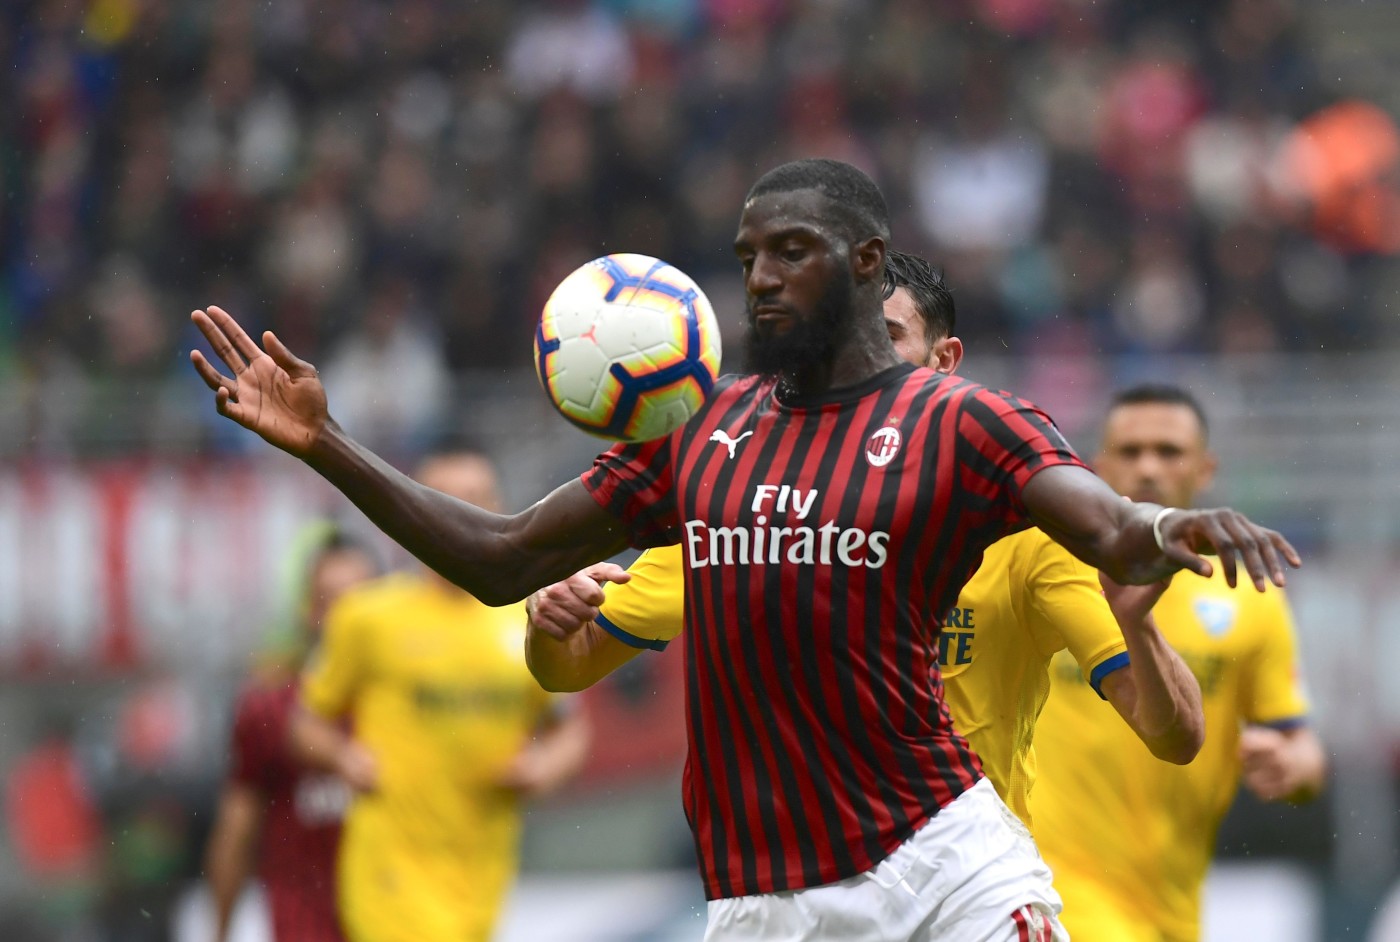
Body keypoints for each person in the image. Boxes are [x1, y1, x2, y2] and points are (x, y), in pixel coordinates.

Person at [189, 158, 1298, 942]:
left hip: (941, 861)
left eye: (791, 251)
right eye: (746, 255)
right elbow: (500, 556)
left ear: (865, 263)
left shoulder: (958, 421)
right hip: (760, 901)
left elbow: (1101, 524)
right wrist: (325, 444)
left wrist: (1166, 527)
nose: (760, 276)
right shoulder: (697, 436)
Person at [524, 250, 1206, 832]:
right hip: (796, 890)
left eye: (885, 336)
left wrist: (1137, 628)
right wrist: (552, 624)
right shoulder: (745, 505)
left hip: (958, 895)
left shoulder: (1025, 533)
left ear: (944, 360)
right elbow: (569, 667)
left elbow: (1169, 734)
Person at [1027, 383, 1327, 942]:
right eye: (1130, 451)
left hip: (1173, 910)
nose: (1147, 468)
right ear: (1096, 466)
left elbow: (1301, 744)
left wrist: (1292, 768)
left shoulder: (1250, 595)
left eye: (1168, 452)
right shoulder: (1049, 570)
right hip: (1053, 892)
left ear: (1205, 468)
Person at [288, 444, 593, 942]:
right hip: (391, 870)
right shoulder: (367, 616)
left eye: (477, 498)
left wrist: (543, 769)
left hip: (482, 871)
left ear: (501, 509)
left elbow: (571, 730)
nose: (464, 515)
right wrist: (345, 758)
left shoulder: (532, 618)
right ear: (421, 514)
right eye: (447, 500)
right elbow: (305, 724)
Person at [204, 525, 380, 942]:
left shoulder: (408, 702)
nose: (346, 615)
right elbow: (236, 831)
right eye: (330, 600)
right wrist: (220, 931)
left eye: (360, 599)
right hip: (305, 923)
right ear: (308, 610)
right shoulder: (268, 709)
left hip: (397, 917)